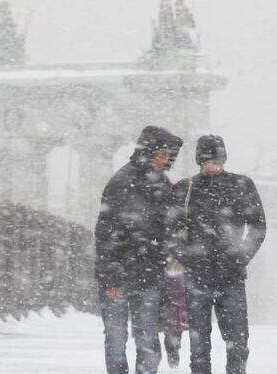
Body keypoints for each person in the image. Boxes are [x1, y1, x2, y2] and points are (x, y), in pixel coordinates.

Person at [167, 135, 266, 374]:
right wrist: (187, 256)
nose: (211, 166)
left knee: (238, 342)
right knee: (199, 344)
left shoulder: (241, 185)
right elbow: (169, 231)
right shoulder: (185, 188)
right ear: (199, 161)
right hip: (197, 275)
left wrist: (241, 256)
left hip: (230, 274)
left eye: (215, 160)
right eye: (205, 161)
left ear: (223, 159)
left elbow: (258, 226)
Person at [95, 125, 183, 374]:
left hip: (148, 273)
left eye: (169, 155)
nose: (167, 159)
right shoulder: (121, 182)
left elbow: (171, 226)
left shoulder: (163, 184)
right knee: (116, 337)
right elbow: (106, 232)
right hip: (120, 275)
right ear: (149, 151)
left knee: (146, 337)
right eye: (163, 153)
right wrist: (112, 273)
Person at [158, 256, 187, 369]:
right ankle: (156, 347)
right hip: (154, 265)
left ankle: (172, 344)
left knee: (175, 307)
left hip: (174, 264)